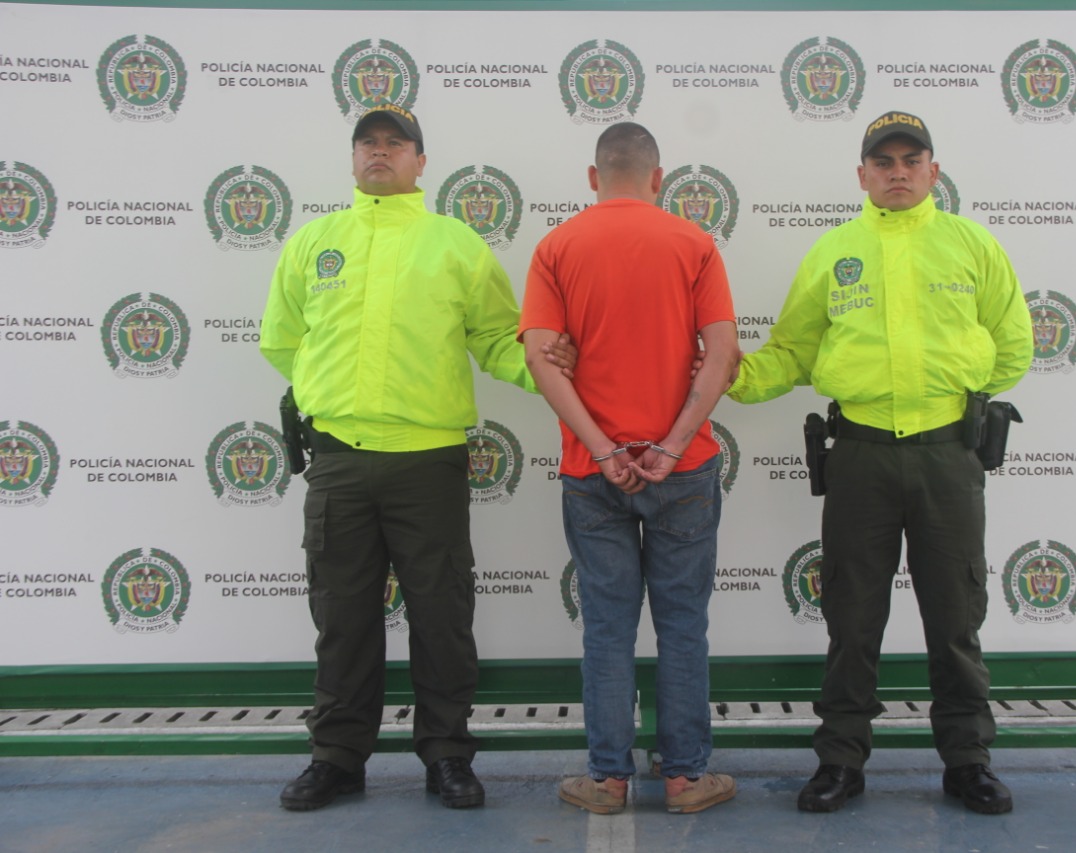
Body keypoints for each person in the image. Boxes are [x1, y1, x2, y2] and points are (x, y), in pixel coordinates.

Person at [259, 103, 576, 812]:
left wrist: (547, 366)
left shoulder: (455, 245)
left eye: (395, 144)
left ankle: (447, 754)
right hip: (338, 460)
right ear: (352, 158)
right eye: (367, 143)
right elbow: (282, 340)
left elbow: (495, 339)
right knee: (342, 617)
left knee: (441, 614)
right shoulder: (314, 242)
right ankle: (337, 758)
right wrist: (330, 393)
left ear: (420, 162)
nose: (380, 152)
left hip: (428, 462)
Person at [728, 110, 1033, 815]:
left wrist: (954, 399)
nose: (898, 172)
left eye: (911, 160)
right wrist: (732, 377)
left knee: (955, 618)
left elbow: (1013, 344)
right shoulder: (835, 252)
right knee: (852, 618)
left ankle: (968, 761)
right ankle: (840, 760)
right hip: (860, 457)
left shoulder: (972, 245)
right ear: (862, 174)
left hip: (947, 456)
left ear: (933, 170)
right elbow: (793, 351)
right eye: (884, 162)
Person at [519, 122, 740, 815]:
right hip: (684, 469)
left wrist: (603, 447)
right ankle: (685, 779)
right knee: (683, 625)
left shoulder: (556, 247)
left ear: (594, 177)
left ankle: (608, 780)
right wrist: (670, 446)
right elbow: (724, 354)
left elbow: (541, 361)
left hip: (594, 472)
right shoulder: (694, 243)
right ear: (658, 177)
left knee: (607, 628)